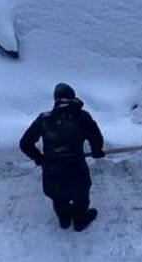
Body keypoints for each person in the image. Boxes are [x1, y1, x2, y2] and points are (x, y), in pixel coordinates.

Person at [19, 83, 105, 232]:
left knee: (58, 198)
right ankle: (79, 221)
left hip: (52, 174)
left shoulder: (44, 119)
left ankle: (64, 220)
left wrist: (39, 158)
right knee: (80, 198)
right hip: (77, 172)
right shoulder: (82, 117)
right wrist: (97, 151)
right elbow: (96, 138)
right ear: (73, 97)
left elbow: (25, 143)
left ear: (56, 100)